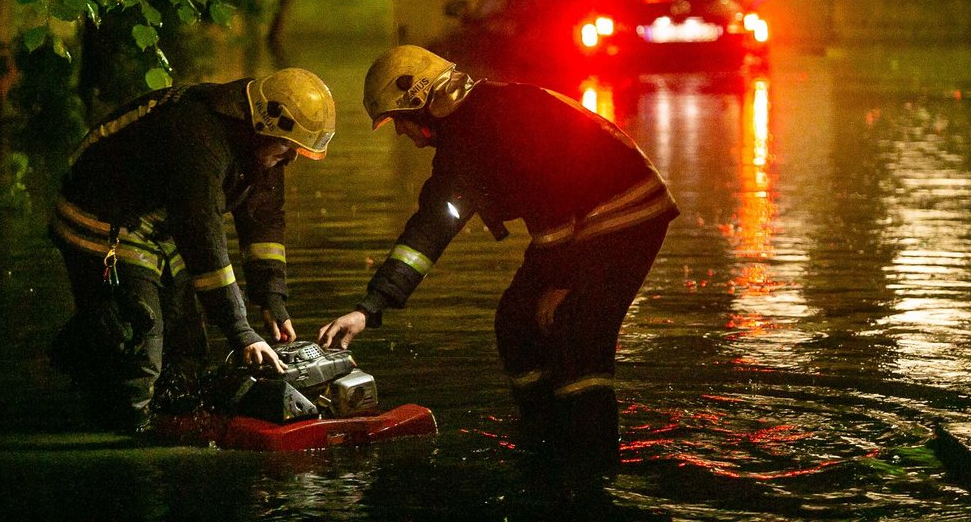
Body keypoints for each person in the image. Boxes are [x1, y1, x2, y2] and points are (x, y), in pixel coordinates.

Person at [318, 45, 679, 464]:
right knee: (515, 319)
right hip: (582, 225)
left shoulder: (500, 118)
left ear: (421, 104)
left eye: (399, 121)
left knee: (577, 333)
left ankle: (592, 466)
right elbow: (429, 230)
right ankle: (542, 435)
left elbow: (555, 201)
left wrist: (563, 284)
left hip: (626, 214)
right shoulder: (464, 141)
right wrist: (370, 307)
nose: (401, 133)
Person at [49, 68, 336, 431]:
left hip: (162, 224)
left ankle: (169, 425)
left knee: (187, 352)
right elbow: (201, 233)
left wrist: (272, 299)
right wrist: (241, 331)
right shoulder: (199, 135)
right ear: (264, 127)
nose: (292, 159)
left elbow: (263, 221)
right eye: (288, 150)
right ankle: (122, 441)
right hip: (104, 221)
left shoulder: (265, 144)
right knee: (140, 349)